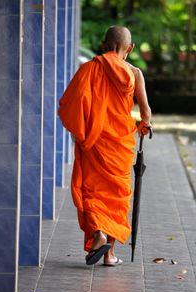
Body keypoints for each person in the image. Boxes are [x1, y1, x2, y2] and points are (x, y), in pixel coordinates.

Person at [58, 25, 152, 266]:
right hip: (119, 144)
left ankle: (99, 234)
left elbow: (71, 103)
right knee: (116, 197)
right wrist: (144, 126)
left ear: (103, 45)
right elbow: (145, 112)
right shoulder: (135, 73)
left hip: (94, 142)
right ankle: (109, 255)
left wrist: (81, 131)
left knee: (92, 192)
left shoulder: (89, 68)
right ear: (129, 48)